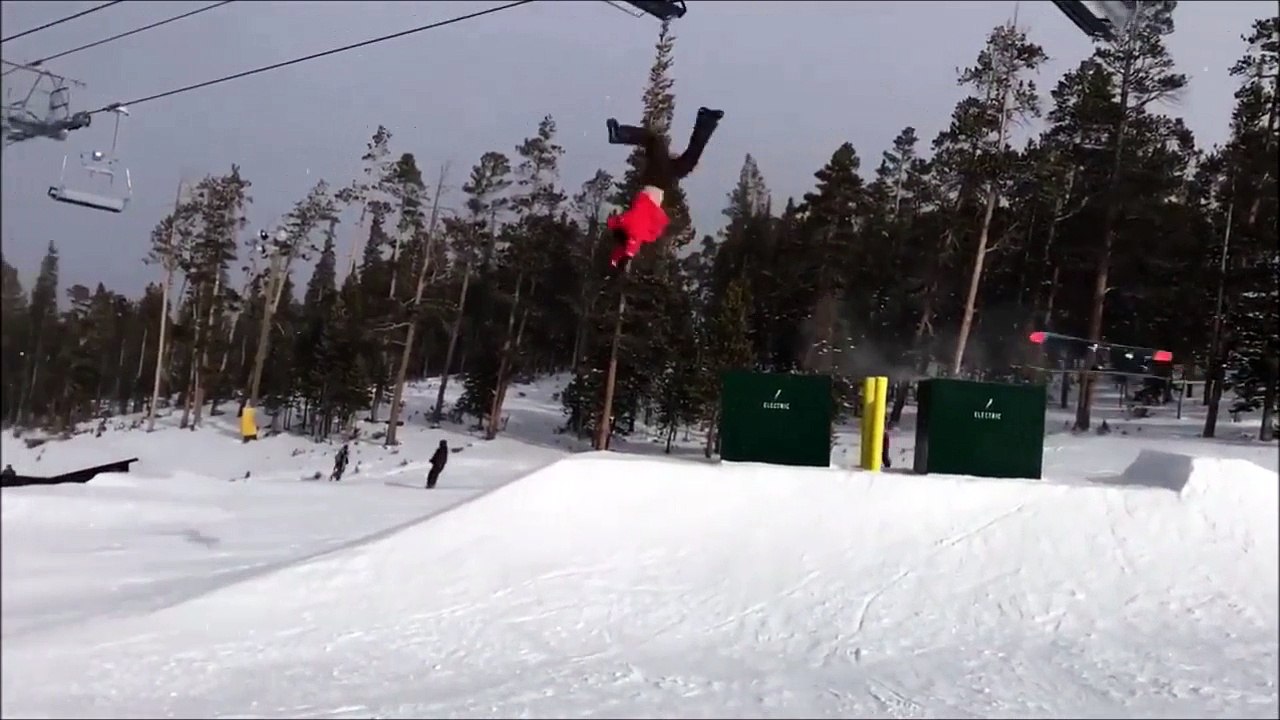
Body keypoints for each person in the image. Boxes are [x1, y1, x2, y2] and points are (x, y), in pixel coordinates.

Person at [605, 106, 723, 273]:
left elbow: (627, 246)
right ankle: (707, 121)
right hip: (663, 182)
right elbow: (624, 246)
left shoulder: (630, 228)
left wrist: (621, 260)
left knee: (656, 141)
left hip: (655, 179)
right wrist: (618, 261)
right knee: (689, 161)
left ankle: (620, 135)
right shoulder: (630, 230)